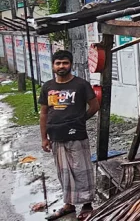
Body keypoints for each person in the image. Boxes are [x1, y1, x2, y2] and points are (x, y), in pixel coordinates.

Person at [39, 50, 100, 221]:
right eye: (58, 63)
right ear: (53, 66)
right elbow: (43, 113)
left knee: (82, 169)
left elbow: (94, 106)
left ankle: (87, 205)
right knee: (63, 172)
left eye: (65, 63)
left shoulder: (81, 85)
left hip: (77, 135)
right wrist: (44, 137)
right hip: (56, 136)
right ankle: (69, 205)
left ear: (71, 64)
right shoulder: (48, 87)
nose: (61, 66)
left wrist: (80, 120)